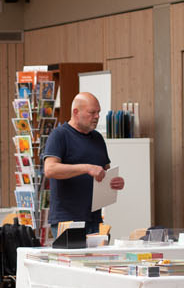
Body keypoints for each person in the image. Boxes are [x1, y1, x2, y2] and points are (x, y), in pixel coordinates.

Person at [42, 92, 125, 233]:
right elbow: (50, 170)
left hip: (95, 219)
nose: (97, 116)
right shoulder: (59, 135)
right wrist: (86, 168)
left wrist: (114, 181)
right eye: (92, 112)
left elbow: (104, 172)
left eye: (98, 112)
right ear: (76, 112)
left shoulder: (98, 138)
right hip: (67, 220)